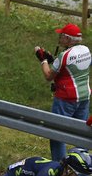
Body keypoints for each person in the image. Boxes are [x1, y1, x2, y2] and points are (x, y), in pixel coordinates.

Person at [35, 23, 91, 160]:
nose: (59, 38)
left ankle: (59, 168)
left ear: (67, 38)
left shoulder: (64, 55)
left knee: (57, 134)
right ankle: (80, 165)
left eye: (61, 36)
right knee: (81, 134)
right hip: (84, 96)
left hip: (65, 99)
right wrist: (52, 61)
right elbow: (69, 70)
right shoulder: (86, 50)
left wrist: (43, 60)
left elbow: (49, 76)